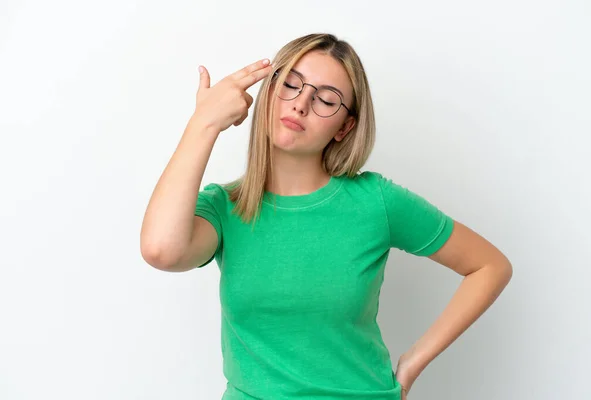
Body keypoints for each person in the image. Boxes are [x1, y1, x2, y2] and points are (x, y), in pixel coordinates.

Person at [140, 33, 513, 400]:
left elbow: (489, 266)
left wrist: (413, 362)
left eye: (326, 100)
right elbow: (161, 250)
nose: (301, 104)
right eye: (290, 84)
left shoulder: (376, 201)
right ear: (267, 92)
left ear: (345, 127)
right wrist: (203, 124)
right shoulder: (224, 207)